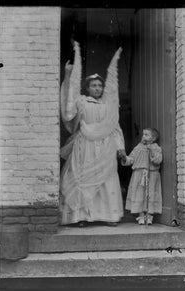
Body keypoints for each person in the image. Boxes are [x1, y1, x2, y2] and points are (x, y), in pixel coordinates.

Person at [59, 41, 126, 227]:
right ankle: (81, 217)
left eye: (100, 86)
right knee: (82, 178)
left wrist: (120, 148)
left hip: (105, 146)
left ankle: (109, 216)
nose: (97, 88)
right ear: (87, 88)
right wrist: (67, 74)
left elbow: (115, 128)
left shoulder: (108, 105)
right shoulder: (81, 101)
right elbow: (68, 103)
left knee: (106, 179)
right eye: (93, 86)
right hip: (85, 146)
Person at [121, 128, 162, 225]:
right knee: (139, 193)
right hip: (139, 174)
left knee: (150, 193)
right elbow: (131, 159)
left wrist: (151, 149)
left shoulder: (156, 148)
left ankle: (149, 215)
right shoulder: (138, 147)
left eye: (146, 135)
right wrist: (125, 158)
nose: (143, 136)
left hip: (152, 174)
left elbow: (158, 160)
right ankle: (141, 214)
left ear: (153, 138)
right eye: (143, 134)